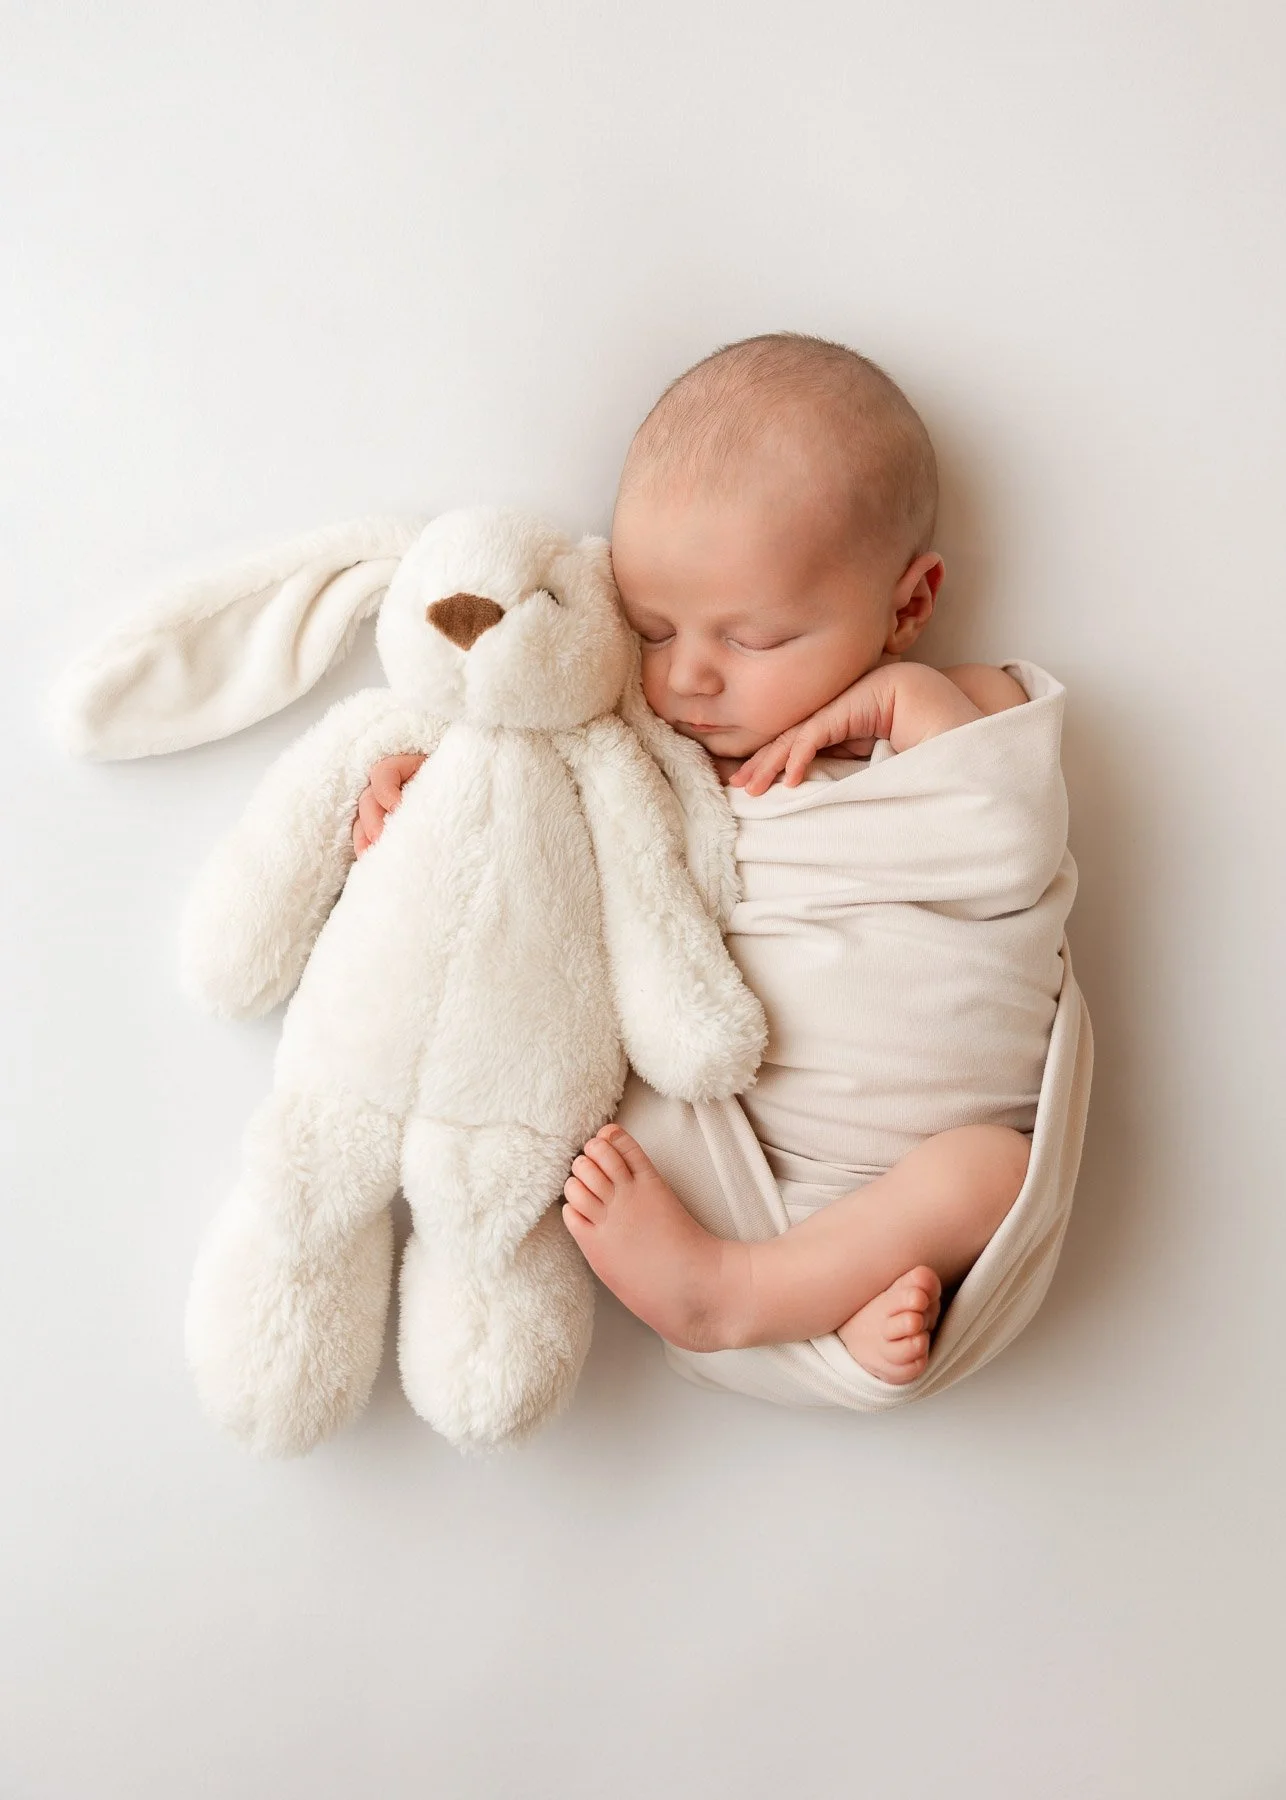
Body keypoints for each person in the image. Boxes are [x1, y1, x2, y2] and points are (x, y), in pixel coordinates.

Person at [350, 333, 1062, 1387]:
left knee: (996, 1174)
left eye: (755, 640)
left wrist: (890, 702)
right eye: (649, 625)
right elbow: (538, 823)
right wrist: (431, 803)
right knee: (574, 1090)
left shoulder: (962, 714)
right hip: (728, 1148)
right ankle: (808, 1299)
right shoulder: (642, 745)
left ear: (906, 606)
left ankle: (752, 1297)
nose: (688, 678)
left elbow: (1000, 836)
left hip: (908, 1159)